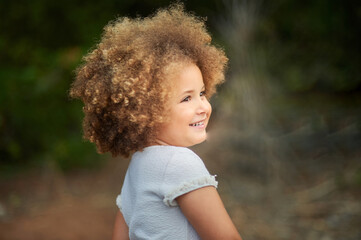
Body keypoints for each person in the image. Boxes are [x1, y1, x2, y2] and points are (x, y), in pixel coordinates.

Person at [70, 3, 242, 240]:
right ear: (145, 111)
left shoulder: (140, 164)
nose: (203, 106)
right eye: (186, 98)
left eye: (202, 93)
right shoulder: (180, 163)